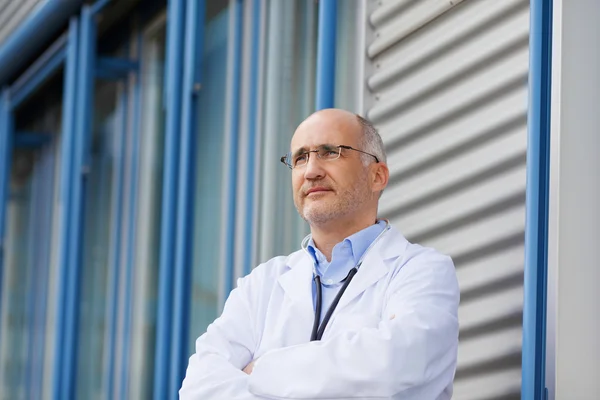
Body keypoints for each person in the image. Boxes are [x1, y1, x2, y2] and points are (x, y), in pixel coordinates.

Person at [180, 108, 460, 399]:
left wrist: (261, 369)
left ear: (377, 176)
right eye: (300, 157)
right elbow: (200, 387)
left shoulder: (422, 271)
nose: (311, 170)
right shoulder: (261, 285)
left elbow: (398, 366)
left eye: (330, 152)